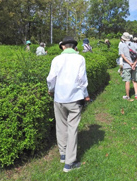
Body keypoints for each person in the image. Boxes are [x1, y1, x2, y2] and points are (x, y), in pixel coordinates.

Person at [47, 36, 90, 172]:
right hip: (74, 98)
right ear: (74, 46)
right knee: (72, 129)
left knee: (61, 126)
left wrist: (51, 90)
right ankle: (70, 163)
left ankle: (63, 154)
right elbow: (82, 79)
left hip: (59, 97)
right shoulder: (80, 59)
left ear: (63, 47)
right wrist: (86, 94)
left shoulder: (56, 59)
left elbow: (51, 78)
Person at [119, 32, 137, 100]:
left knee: (127, 81)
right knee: (134, 81)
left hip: (126, 65)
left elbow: (122, 56)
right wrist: (134, 63)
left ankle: (128, 96)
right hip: (135, 65)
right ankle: (136, 95)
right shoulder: (134, 44)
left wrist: (129, 63)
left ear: (123, 38)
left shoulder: (122, 45)